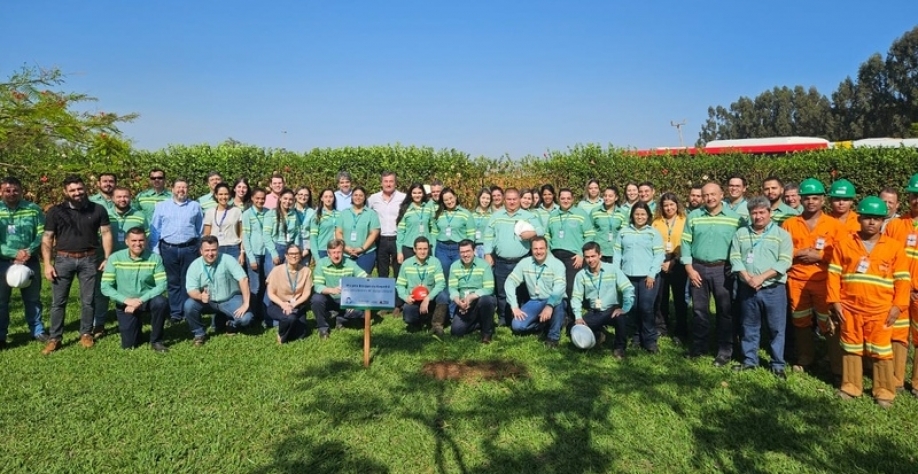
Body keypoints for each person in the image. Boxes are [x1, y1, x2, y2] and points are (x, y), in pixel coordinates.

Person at [829, 197, 909, 408]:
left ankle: (884, 392)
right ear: (860, 219)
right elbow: (833, 275)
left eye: (876, 219)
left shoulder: (894, 247)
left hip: (881, 310)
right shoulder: (844, 245)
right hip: (850, 308)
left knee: (881, 351)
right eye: (867, 218)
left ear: (883, 221)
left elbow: (903, 280)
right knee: (851, 347)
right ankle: (850, 386)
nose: (871, 223)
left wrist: (897, 307)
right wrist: (835, 302)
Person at [41, 175, 113, 354]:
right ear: (65, 192)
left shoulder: (98, 209)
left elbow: (106, 234)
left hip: (89, 259)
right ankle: (55, 338)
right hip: (63, 260)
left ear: (85, 188)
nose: (77, 193)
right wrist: (47, 264)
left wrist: (107, 257)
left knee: (88, 300)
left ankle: (86, 334)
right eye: (72, 190)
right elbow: (48, 238)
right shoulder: (56, 212)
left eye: (79, 189)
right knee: (58, 302)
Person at [781, 178, 844, 374]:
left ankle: (836, 366)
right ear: (800, 200)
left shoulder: (834, 225)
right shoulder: (790, 223)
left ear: (823, 200)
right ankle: (805, 358)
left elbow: (843, 254)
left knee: (829, 322)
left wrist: (819, 255)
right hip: (797, 280)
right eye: (807, 198)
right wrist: (799, 253)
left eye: (815, 198)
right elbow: (781, 251)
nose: (810, 202)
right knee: (800, 320)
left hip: (824, 280)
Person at [729, 197, 793, 378]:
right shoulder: (741, 233)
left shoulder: (782, 235)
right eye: (754, 213)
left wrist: (761, 277)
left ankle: (777, 364)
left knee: (776, 328)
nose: (758, 216)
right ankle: (750, 360)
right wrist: (748, 278)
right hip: (748, 287)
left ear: (769, 213)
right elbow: (735, 257)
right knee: (749, 326)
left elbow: (785, 261)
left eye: (761, 212)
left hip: (773, 289)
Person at [681, 182, 743, 365]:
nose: (709, 198)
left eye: (713, 194)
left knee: (725, 311)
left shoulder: (735, 218)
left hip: (723, 269)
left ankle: (725, 350)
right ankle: (699, 346)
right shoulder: (693, 216)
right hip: (697, 268)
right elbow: (685, 243)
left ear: (721, 194)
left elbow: (742, 243)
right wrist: (689, 268)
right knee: (700, 310)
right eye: (705, 195)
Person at [100, 227, 169, 352]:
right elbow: (105, 287)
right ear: (127, 242)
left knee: (161, 302)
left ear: (146, 241)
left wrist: (139, 301)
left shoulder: (155, 258)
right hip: (125, 303)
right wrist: (127, 300)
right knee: (129, 345)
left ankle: (156, 340)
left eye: (141, 240)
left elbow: (162, 285)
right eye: (134, 240)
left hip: (147, 299)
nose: (138, 243)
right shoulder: (115, 258)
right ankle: (136, 328)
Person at [483, 188, 544, 327]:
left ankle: (522, 316)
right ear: (505, 200)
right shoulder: (496, 216)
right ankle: (504, 317)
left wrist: (532, 234)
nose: (511, 202)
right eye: (509, 199)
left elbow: (541, 231)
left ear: (519, 200)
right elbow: (488, 235)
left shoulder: (527, 215)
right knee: (502, 291)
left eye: (514, 199)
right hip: (501, 261)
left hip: (522, 260)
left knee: (522, 290)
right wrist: (487, 253)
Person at [880, 174, 918, 393]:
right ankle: (895, 380)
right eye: (914, 195)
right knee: (898, 336)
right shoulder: (896, 225)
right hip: (901, 292)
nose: (917, 200)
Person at [0, 176, 47, 348]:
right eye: (7, 190)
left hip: (30, 261)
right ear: (1, 191)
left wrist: (28, 251)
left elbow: (42, 232)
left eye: (15, 190)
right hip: (3, 261)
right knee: (1, 301)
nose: (12, 193)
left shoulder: (33, 209)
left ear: (21, 191)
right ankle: (1, 335)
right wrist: (13, 253)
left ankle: (37, 330)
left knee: (33, 299)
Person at [95, 187, 148, 335]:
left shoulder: (139, 216)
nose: (122, 199)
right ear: (112, 198)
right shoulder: (104, 215)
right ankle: (99, 324)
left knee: (132, 290)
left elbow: (147, 237)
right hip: (106, 260)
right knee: (102, 292)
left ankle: (132, 321)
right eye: (119, 197)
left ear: (130, 198)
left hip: (131, 261)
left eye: (126, 196)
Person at [183, 235, 254, 345]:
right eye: (207, 250)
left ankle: (231, 324)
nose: (210, 254)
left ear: (218, 249)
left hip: (229, 299)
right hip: (208, 302)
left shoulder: (227, 259)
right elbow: (191, 289)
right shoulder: (195, 266)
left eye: (213, 250)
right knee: (189, 305)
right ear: (201, 251)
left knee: (246, 318)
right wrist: (200, 296)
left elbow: (243, 279)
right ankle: (199, 334)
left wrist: (245, 304)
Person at [150, 178, 203, 324]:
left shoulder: (195, 206)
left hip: (189, 248)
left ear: (188, 189)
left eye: (184, 187)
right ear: (172, 189)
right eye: (178, 187)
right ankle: (175, 313)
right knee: (172, 282)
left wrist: (200, 248)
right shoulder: (161, 206)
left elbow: (200, 229)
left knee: (188, 281)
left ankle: (188, 311)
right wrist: (156, 251)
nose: (181, 190)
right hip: (168, 248)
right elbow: (155, 230)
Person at [614, 202, 664, 352]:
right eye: (637, 214)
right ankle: (636, 336)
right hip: (628, 276)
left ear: (648, 216)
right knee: (633, 307)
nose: (640, 217)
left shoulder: (653, 233)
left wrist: (651, 274)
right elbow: (617, 254)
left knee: (646, 307)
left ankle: (649, 339)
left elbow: (659, 255)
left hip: (648, 277)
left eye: (643, 214)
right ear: (632, 216)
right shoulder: (623, 232)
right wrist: (617, 274)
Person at [571, 242, 635, 359]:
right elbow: (576, 297)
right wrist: (578, 317)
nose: (590, 260)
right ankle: (599, 334)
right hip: (595, 311)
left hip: (612, 310)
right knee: (574, 328)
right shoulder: (581, 275)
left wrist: (625, 308)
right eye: (587, 257)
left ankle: (619, 348)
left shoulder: (612, 269)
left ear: (600, 255)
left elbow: (628, 288)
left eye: (593, 256)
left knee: (620, 318)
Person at [505, 236, 566, 348]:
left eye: (541, 248)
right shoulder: (525, 263)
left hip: (554, 300)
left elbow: (559, 289)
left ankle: (553, 337)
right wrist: (514, 306)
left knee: (559, 301)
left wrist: (549, 305)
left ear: (547, 248)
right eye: (535, 249)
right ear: (531, 250)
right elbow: (510, 282)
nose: (538, 252)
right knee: (517, 326)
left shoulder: (557, 264)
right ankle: (545, 325)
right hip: (535, 301)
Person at [546, 187, 594, 307]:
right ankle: (558, 313)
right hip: (554, 256)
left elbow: (590, 235)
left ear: (573, 199)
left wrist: (581, 254)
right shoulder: (553, 215)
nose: (565, 201)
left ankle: (572, 315)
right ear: (558, 199)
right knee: (555, 285)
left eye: (568, 198)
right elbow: (547, 235)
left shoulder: (581, 214)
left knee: (571, 287)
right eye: (563, 198)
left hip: (573, 257)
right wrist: (548, 253)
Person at [311, 239, 368, 339]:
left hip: (346, 299)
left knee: (360, 310)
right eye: (333, 253)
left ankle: (339, 319)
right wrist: (332, 290)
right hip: (328, 298)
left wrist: (355, 300)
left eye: (339, 252)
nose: (336, 255)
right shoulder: (321, 264)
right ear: (328, 254)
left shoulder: (350, 264)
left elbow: (365, 278)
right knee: (316, 299)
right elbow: (318, 286)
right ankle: (323, 328)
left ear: (343, 252)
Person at [651, 192, 688, 342]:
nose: (668, 208)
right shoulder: (656, 222)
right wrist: (661, 261)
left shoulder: (684, 220)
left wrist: (672, 262)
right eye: (665, 205)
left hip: (678, 259)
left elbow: (686, 243)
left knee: (680, 297)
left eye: (671, 204)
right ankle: (661, 326)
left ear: (677, 205)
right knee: (661, 296)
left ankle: (681, 329)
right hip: (660, 259)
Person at [396, 237, 448, 334]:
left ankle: (437, 325)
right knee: (409, 317)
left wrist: (428, 298)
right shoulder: (406, 264)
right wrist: (405, 297)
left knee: (443, 296)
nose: (422, 252)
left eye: (425, 249)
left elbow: (441, 283)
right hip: (413, 300)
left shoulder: (435, 262)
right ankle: (419, 321)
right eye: (419, 249)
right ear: (414, 249)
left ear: (429, 249)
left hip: (431, 299)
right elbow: (399, 285)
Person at [448, 240, 496, 343]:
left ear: (474, 250)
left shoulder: (484, 265)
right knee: (456, 331)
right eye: (462, 252)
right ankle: (480, 322)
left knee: (487, 300)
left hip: (479, 300)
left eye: (468, 251)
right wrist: (458, 301)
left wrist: (472, 297)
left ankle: (486, 333)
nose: (465, 255)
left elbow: (489, 288)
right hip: (463, 303)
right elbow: (452, 288)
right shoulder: (454, 266)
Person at [265, 244, 312, 344]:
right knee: (291, 317)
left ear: (300, 255)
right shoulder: (276, 270)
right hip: (278, 305)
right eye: (291, 253)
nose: (294, 256)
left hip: (297, 305)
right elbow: (270, 293)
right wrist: (283, 304)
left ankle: (284, 324)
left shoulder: (306, 271)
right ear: (286, 256)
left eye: (296, 253)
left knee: (301, 334)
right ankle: (281, 335)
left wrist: (293, 305)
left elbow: (307, 293)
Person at [430, 187, 474, 281]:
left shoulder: (466, 214)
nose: (449, 201)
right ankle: (445, 295)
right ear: (443, 201)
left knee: (459, 276)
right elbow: (433, 234)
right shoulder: (438, 214)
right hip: (442, 249)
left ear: (455, 197)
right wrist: (433, 252)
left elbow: (471, 235)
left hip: (459, 249)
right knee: (443, 277)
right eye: (446, 200)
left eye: (451, 198)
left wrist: (469, 251)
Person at [368, 171, 406, 279]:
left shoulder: (403, 198)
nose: (388, 184)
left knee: (399, 270)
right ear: (381, 183)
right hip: (380, 239)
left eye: (391, 181)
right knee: (382, 271)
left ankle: (398, 295)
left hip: (397, 239)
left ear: (395, 183)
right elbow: (365, 212)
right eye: (385, 181)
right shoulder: (373, 198)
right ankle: (383, 295)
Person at [337, 186, 381, 274]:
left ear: (365, 197)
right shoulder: (344, 213)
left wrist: (361, 248)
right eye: (355, 195)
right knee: (346, 282)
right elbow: (338, 232)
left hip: (365, 254)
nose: (358, 197)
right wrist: (345, 248)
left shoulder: (371, 214)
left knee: (363, 282)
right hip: (346, 254)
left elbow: (374, 233)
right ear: (352, 197)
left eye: (361, 195)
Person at [241, 188, 268, 325]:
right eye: (257, 198)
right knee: (255, 287)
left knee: (265, 285)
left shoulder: (268, 213)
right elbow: (245, 237)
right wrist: (250, 258)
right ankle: (252, 314)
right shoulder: (247, 214)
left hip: (266, 254)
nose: (260, 200)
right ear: (252, 198)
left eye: (263, 198)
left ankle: (263, 314)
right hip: (254, 255)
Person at [203, 182, 243, 261]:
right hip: (216, 249)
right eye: (220, 194)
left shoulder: (237, 211)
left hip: (233, 249)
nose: (223, 197)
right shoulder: (209, 212)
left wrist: (242, 252)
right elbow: (206, 234)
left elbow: (241, 233)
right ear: (216, 195)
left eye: (226, 194)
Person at [396, 183, 431, 263]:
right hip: (409, 247)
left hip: (425, 248)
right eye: (414, 193)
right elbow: (400, 232)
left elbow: (432, 229)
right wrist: (399, 252)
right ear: (410, 194)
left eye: (419, 193)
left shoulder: (428, 208)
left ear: (423, 194)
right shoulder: (405, 209)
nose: (417, 195)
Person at [590, 186, 624, 265]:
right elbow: (590, 231)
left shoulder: (622, 213)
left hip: (615, 252)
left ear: (616, 198)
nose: (607, 198)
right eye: (605, 195)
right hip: (599, 251)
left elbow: (624, 234)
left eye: (610, 196)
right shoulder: (595, 211)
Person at [310, 188, 339, 259]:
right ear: (321, 199)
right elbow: (313, 238)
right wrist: (316, 257)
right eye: (326, 197)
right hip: (323, 251)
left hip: (337, 250)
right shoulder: (317, 216)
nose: (328, 199)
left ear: (334, 198)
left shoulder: (340, 215)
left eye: (331, 197)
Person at [293, 187, 315, 265]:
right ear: (295, 196)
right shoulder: (290, 210)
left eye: (306, 195)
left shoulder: (312, 212)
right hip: (292, 246)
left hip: (306, 248)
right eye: (301, 194)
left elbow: (313, 232)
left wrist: (308, 249)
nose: (303, 197)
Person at [471, 188, 492, 259]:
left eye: (488, 198)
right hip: (474, 247)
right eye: (483, 198)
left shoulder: (492, 215)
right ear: (479, 198)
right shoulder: (472, 214)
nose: (485, 201)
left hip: (487, 248)